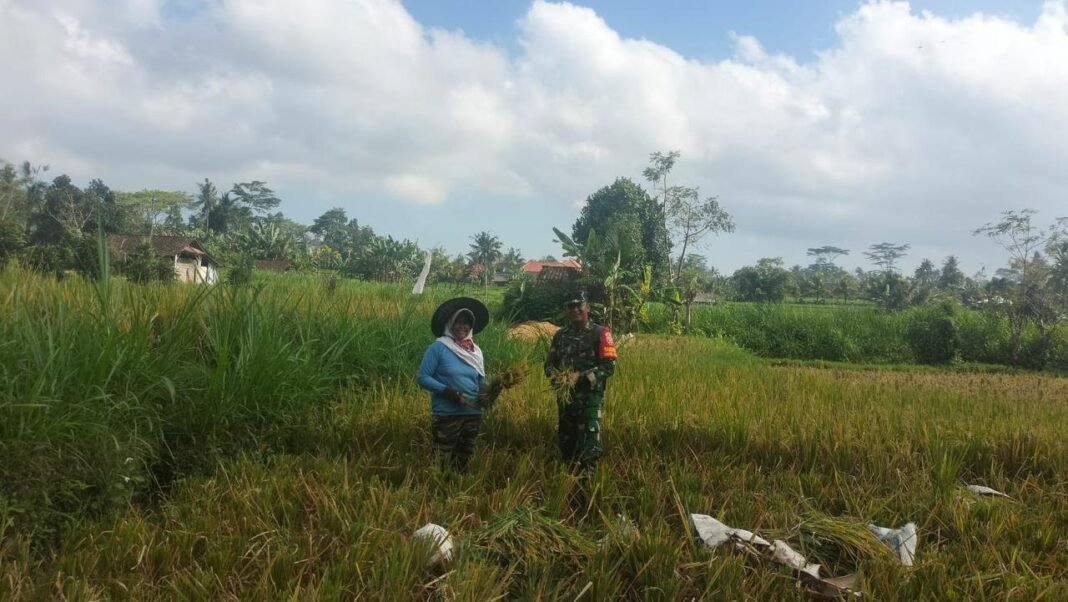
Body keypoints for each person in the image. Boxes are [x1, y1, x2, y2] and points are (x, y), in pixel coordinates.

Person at [544, 290, 617, 473]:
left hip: (589, 402)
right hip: (566, 401)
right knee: (567, 448)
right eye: (570, 306)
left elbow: (608, 367)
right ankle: (567, 489)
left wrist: (580, 376)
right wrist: (555, 376)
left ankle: (588, 492)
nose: (575, 309)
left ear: (588, 307)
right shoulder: (560, 335)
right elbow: (549, 365)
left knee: (590, 450)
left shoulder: (601, 333)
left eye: (579, 305)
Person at [417, 297, 490, 473]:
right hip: (447, 415)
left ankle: (458, 489)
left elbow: (479, 380)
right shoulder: (439, 348)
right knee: (441, 458)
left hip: (472, 413)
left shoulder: (475, 351)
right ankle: (436, 493)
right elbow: (422, 377)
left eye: (466, 323)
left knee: (465, 456)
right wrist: (447, 391)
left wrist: (490, 391)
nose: (461, 326)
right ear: (450, 324)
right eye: (457, 322)